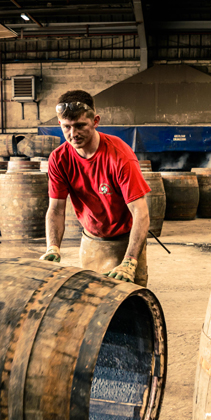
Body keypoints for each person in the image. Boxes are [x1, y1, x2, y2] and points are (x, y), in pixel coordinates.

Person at [40, 90, 151, 285]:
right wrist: (53, 247)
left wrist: (130, 262)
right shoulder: (59, 159)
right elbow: (56, 209)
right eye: (66, 127)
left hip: (126, 241)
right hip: (91, 240)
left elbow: (140, 213)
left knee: (131, 306)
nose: (73, 134)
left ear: (95, 121)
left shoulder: (120, 156)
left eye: (80, 125)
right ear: (60, 124)